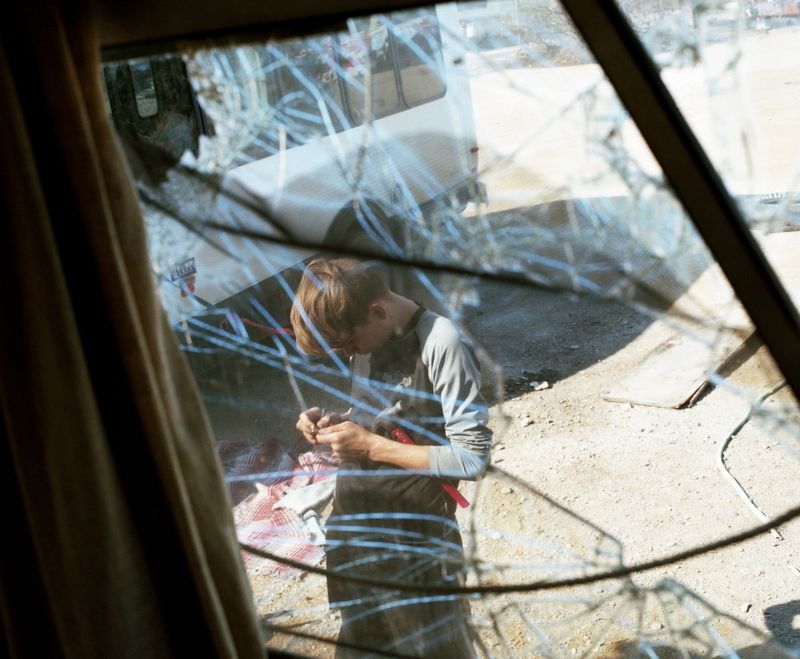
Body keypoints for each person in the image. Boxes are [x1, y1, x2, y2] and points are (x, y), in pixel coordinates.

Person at [290, 257, 492, 658]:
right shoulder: (370, 339)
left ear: (378, 311)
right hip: (356, 527)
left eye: (349, 344)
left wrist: (368, 445)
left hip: (414, 540)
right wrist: (336, 422)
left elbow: (471, 458)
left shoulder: (441, 342)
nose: (349, 353)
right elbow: (384, 414)